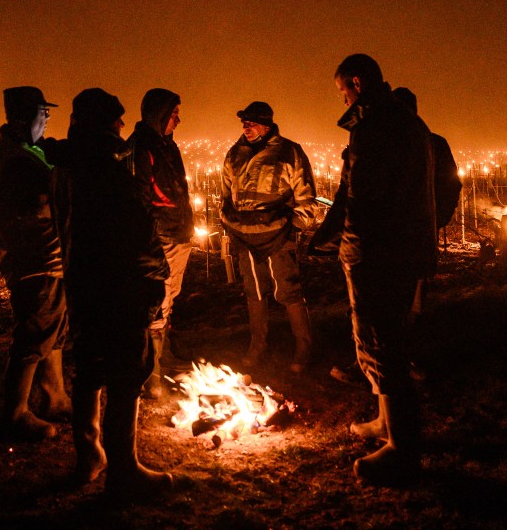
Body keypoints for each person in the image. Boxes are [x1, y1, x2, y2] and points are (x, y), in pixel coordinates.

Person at [308, 54, 436, 486]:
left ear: (357, 83)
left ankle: (402, 449)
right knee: (390, 337)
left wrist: (347, 245)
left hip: (379, 253)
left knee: (380, 343)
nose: (341, 98)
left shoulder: (376, 125)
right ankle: (387, 424)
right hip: (403, 248)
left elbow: (361, 197)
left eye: (343, 90)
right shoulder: (406, 122)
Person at [50, 88, 173, 496]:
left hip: (83, 283)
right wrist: (155, 281)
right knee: (126, 373)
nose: (123, 125)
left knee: (89, 371)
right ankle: (125, 468)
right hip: (118, 286)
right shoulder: (107, 171)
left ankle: (90, 457)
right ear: (105, 124)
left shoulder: (66, 167)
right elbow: (136, 236)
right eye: (116, 119)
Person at [0, 86, 70, 441]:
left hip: (48, 256)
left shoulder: (23, 152)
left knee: (52, 329)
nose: (47, 118)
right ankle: (16, 412)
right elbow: (40, 204)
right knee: (34, 332)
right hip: (36, 258)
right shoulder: (17, 162)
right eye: (42, 112)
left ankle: (55, 397)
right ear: (23, 118)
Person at [220, 101, 317, 373]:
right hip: (245, 238)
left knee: (289, 292)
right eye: (244, 122)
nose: (245, 127)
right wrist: (230, 224)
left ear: (266, 124)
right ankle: (257, 346)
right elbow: (227, 195)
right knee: (254, 294)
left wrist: (292, 227)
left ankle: (303, 348)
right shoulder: (234, 154)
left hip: (278, 237)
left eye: (251, 122)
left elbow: (305, 195)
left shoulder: (289, 152)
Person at [126, 88, 196, 399]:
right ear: (159, 114)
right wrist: (151, 237)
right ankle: (149, 375)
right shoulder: (142, 147)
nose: (179, 119)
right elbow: (140, 198)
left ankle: (162, 360)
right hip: (162, 237)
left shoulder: (166, 145)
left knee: (169, 300)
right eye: (174, 113)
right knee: (156, 303)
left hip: (177, 235)